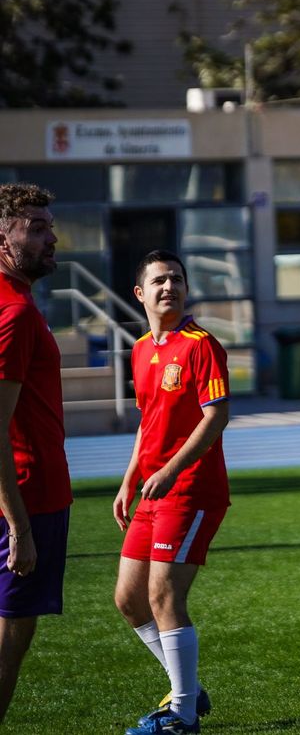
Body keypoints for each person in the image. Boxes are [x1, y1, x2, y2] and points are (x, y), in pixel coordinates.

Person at [115, 251, 231, 735]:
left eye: (177, 279)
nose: (170, 287)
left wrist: (169, 469)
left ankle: (181, 714)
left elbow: (216, 415)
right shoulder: (141, 348)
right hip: (153, 490)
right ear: (140, 293)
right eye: (159, 281)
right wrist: (130, 478)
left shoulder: (202, 345)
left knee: (163, 595)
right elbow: (148, 421)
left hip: (191, 490)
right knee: (128, 599)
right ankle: (186, 686)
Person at [0, 183, 70, 723]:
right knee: (7, 647)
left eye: (50, 225)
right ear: (3, 238)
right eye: (38, 228)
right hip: (26, 499)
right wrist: (20, 527)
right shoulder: (16, 313)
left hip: (28, 496)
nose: (52, 238)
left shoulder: (19, 300)